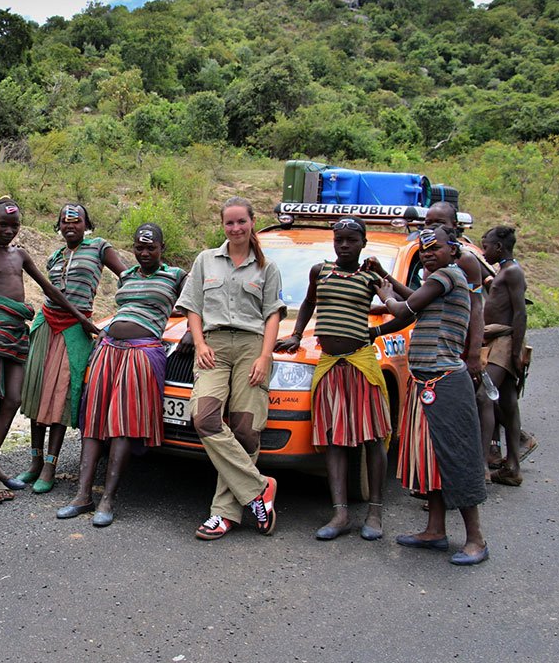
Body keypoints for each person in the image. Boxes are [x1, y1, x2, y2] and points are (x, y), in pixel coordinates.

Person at [0, 198, 98, 502]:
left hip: (16, 332)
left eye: (14, 226)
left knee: (13, 400)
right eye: (3, 224)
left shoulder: (20, 255)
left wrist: (80, 318)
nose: (9, 230)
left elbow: (50, 289)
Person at [57, 224, 186, 526]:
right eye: (139, 248)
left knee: (122, 424)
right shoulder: (126, 276)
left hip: (142, 352)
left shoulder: (177, 276)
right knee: (93, 421)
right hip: (108, 349)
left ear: (161, 248)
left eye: (150, 247)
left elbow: (200, 303)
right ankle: (82, 494)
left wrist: (193, 329)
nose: (143, 253)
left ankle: (108, 499)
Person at [375, 226, 489, 565]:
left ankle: (476, 540)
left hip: (445, 383)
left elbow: (406, 309)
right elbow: (415, 300)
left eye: (434, 247)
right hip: (426, 381)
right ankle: (435, 530)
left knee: (455, 458)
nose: (426, 253)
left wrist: (384, 295)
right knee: (431, 459)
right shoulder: (438, 284)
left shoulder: (448, 277)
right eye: (423, 249)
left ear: (454, 251)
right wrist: (387, 283)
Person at [275, 217, 390, 541]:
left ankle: (375, 512)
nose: (344, 245)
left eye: (351, 240)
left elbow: (402, 304)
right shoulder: (320, 271)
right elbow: (310, 301)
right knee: (334, 439)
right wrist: (297, 334)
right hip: (328, 365)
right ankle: (340, 513)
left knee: (373, 437)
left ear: (363, 242)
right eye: (339, 239)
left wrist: (382, 274)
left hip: (361, 364)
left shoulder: (370, 275)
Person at [176, 197, 284, 541]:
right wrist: (201, 343)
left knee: (245, 427)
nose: (236, 228)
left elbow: (272, 316)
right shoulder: (206, 259)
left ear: (253, 222)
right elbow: (192, 307)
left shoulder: (267, 267)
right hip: (214, 346)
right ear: (222, 225)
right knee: (204, 417)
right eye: (229, 223)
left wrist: (265, 357)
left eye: (241, 222)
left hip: (252, 347)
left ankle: (223, 514)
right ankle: (259, 488)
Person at [18, 203, 126, 493]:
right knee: (37, 390)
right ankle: (34, 463)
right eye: (64, 222)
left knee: (62, 395)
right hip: (45, 324)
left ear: (86, 224)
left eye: (76, 221)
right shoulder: (55, 256)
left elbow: (126, 277)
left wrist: (129, 312)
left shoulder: (100, 248)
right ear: (58, 226)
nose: (70, 226)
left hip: (76, 329)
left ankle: (50, 467)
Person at [480, 226, 528, 486]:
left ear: (499, 247)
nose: (484, 251)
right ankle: (513, 468)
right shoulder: (503, 271)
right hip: (499, 340)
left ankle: (482, 467)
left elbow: (520, 313)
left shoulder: (512, 272)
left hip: (505, 342)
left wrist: (516, 352)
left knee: (483, 395)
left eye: (485, 246)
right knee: (507, 401)